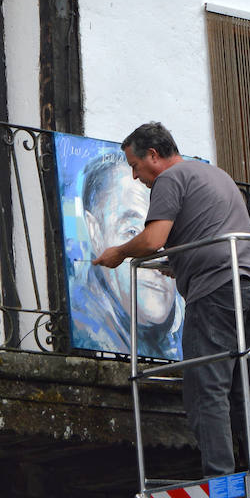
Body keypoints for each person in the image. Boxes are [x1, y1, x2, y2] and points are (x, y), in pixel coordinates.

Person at [93, 122, 250, 477]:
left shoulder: (169, 180)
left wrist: (118, 252)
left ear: (153, 155)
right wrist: (180, 265)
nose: (135, 176)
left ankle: (221, 477)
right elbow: (212, 233)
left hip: (217, 292)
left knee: (207, 387)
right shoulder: (215, 174)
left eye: (134, 165)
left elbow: (151, 239)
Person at [69, 150, 183, 359]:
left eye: (167, 234)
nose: (158, 258)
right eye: (132, 232)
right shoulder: (86, 328)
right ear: (95, 233)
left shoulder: (185, 327)